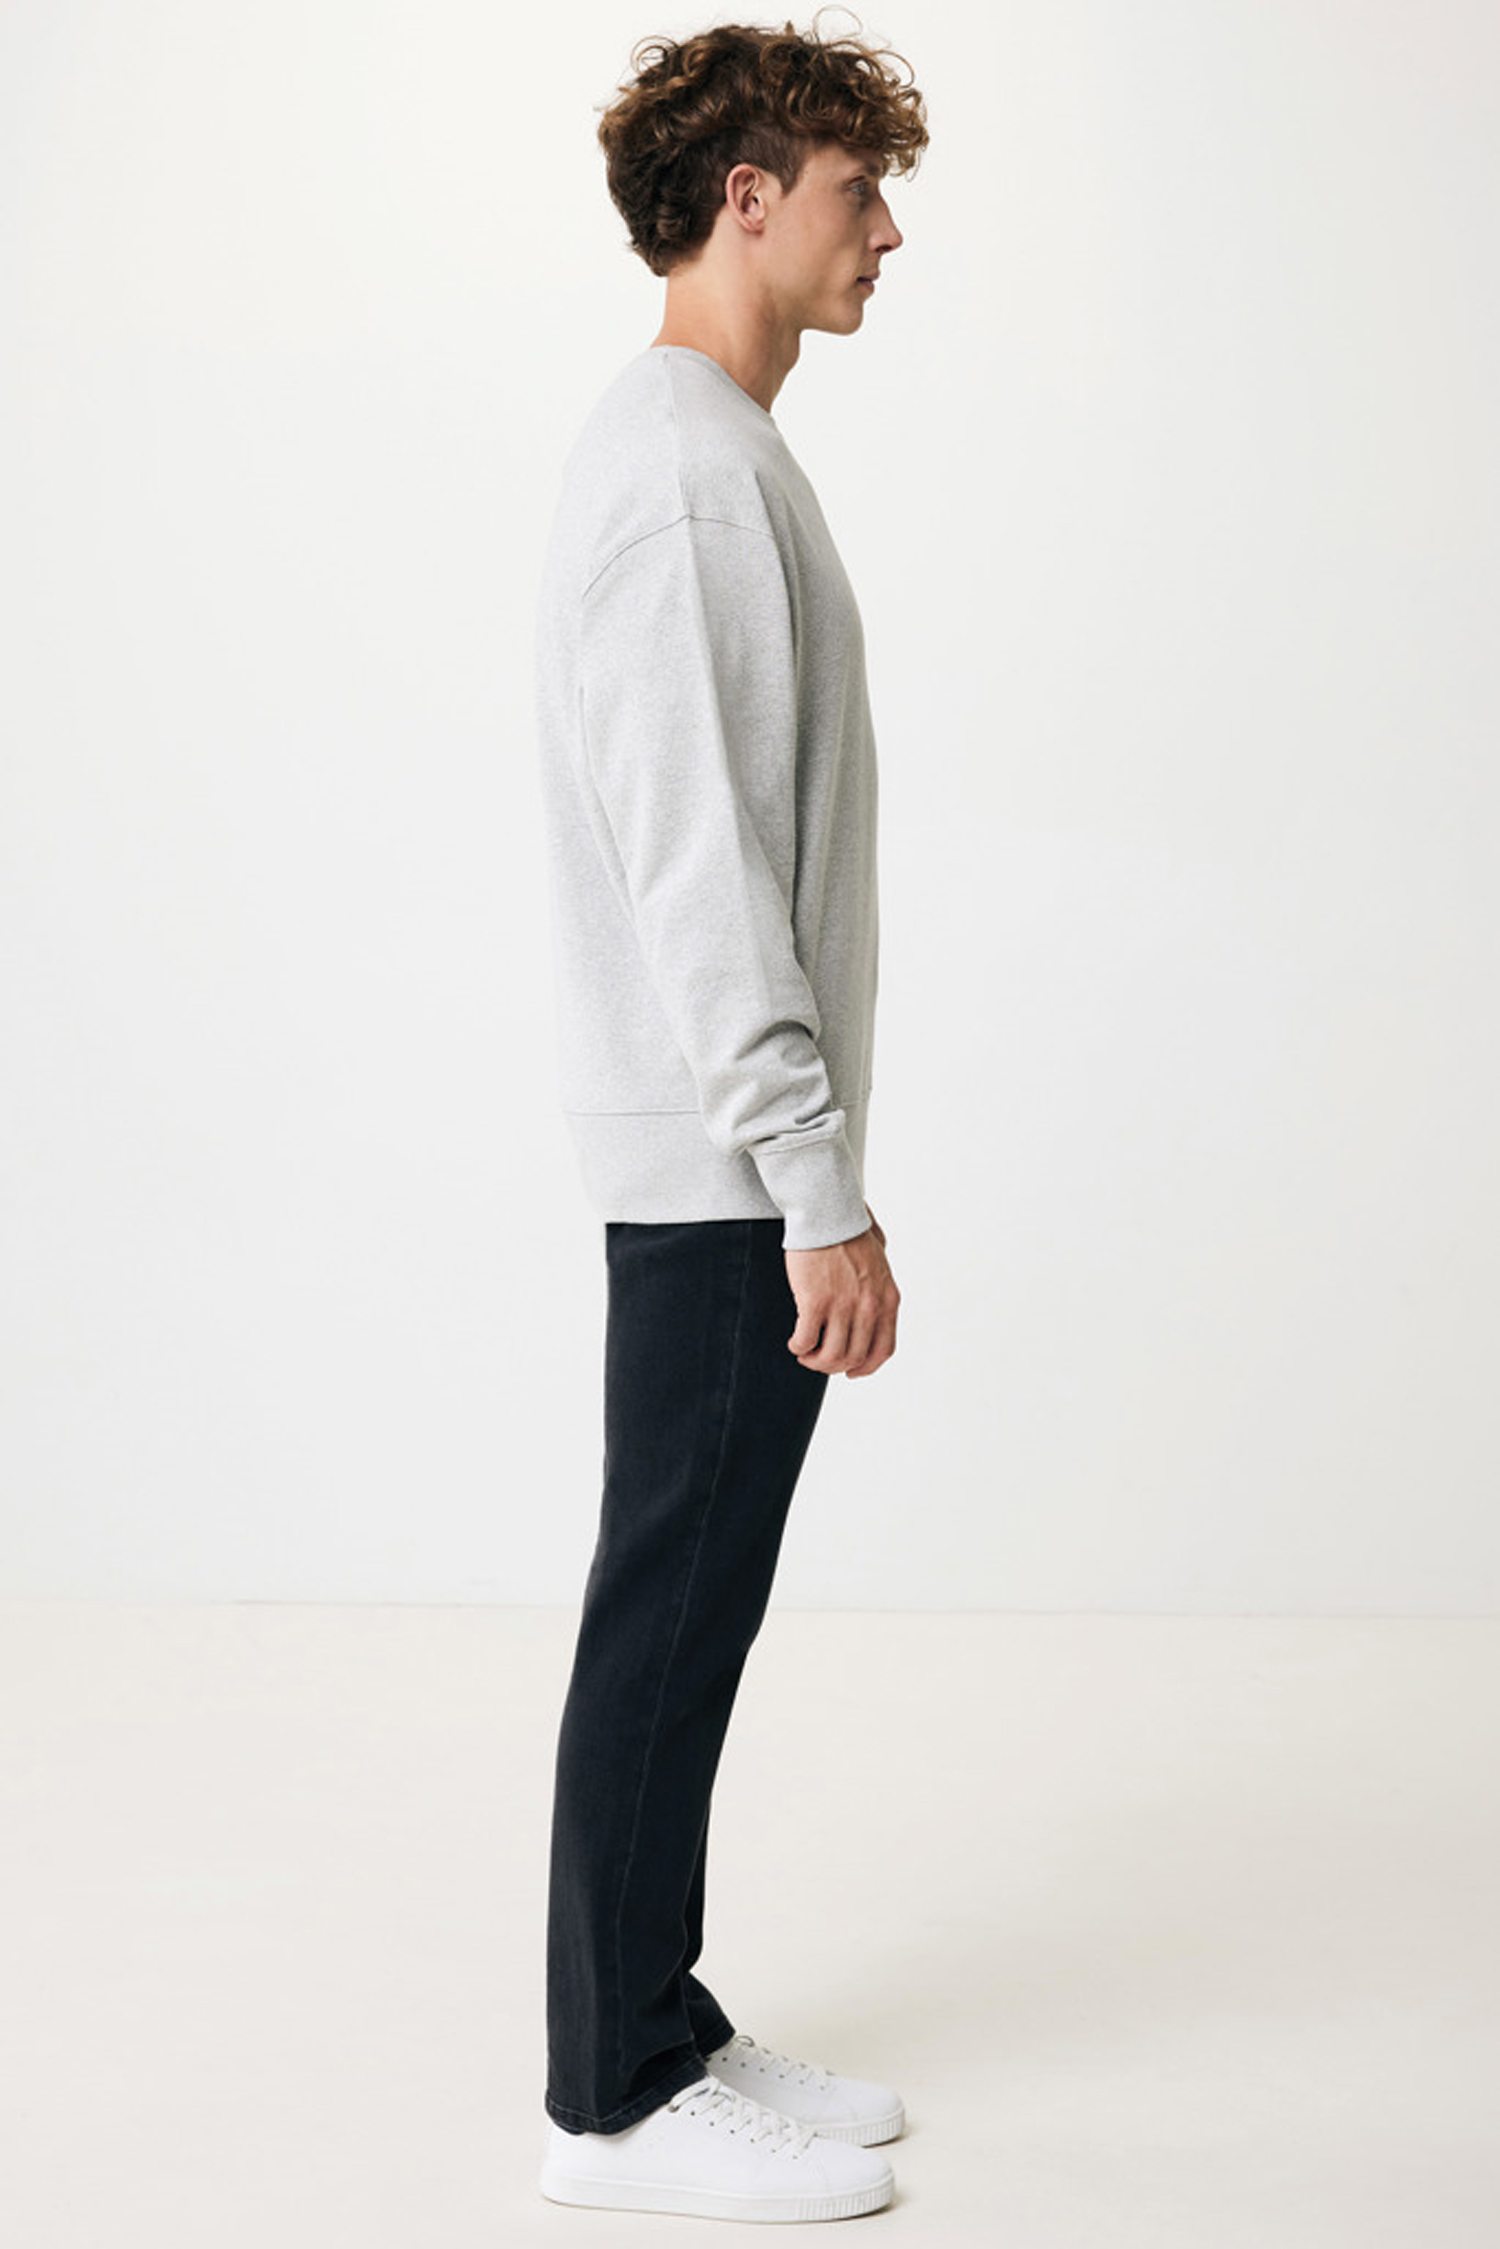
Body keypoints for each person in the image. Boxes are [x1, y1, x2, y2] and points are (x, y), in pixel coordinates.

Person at [531, 15, 928, 2225]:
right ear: (746, 201)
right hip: (720, 1171)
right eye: (860, 190)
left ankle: (659, 2016)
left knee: (693, 1611)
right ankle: (610, 2099)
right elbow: (703, 878)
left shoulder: (712, 451)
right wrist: (815, 1188)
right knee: (669, 1615)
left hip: (724, 1163)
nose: (890, 232)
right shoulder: (686, 478)